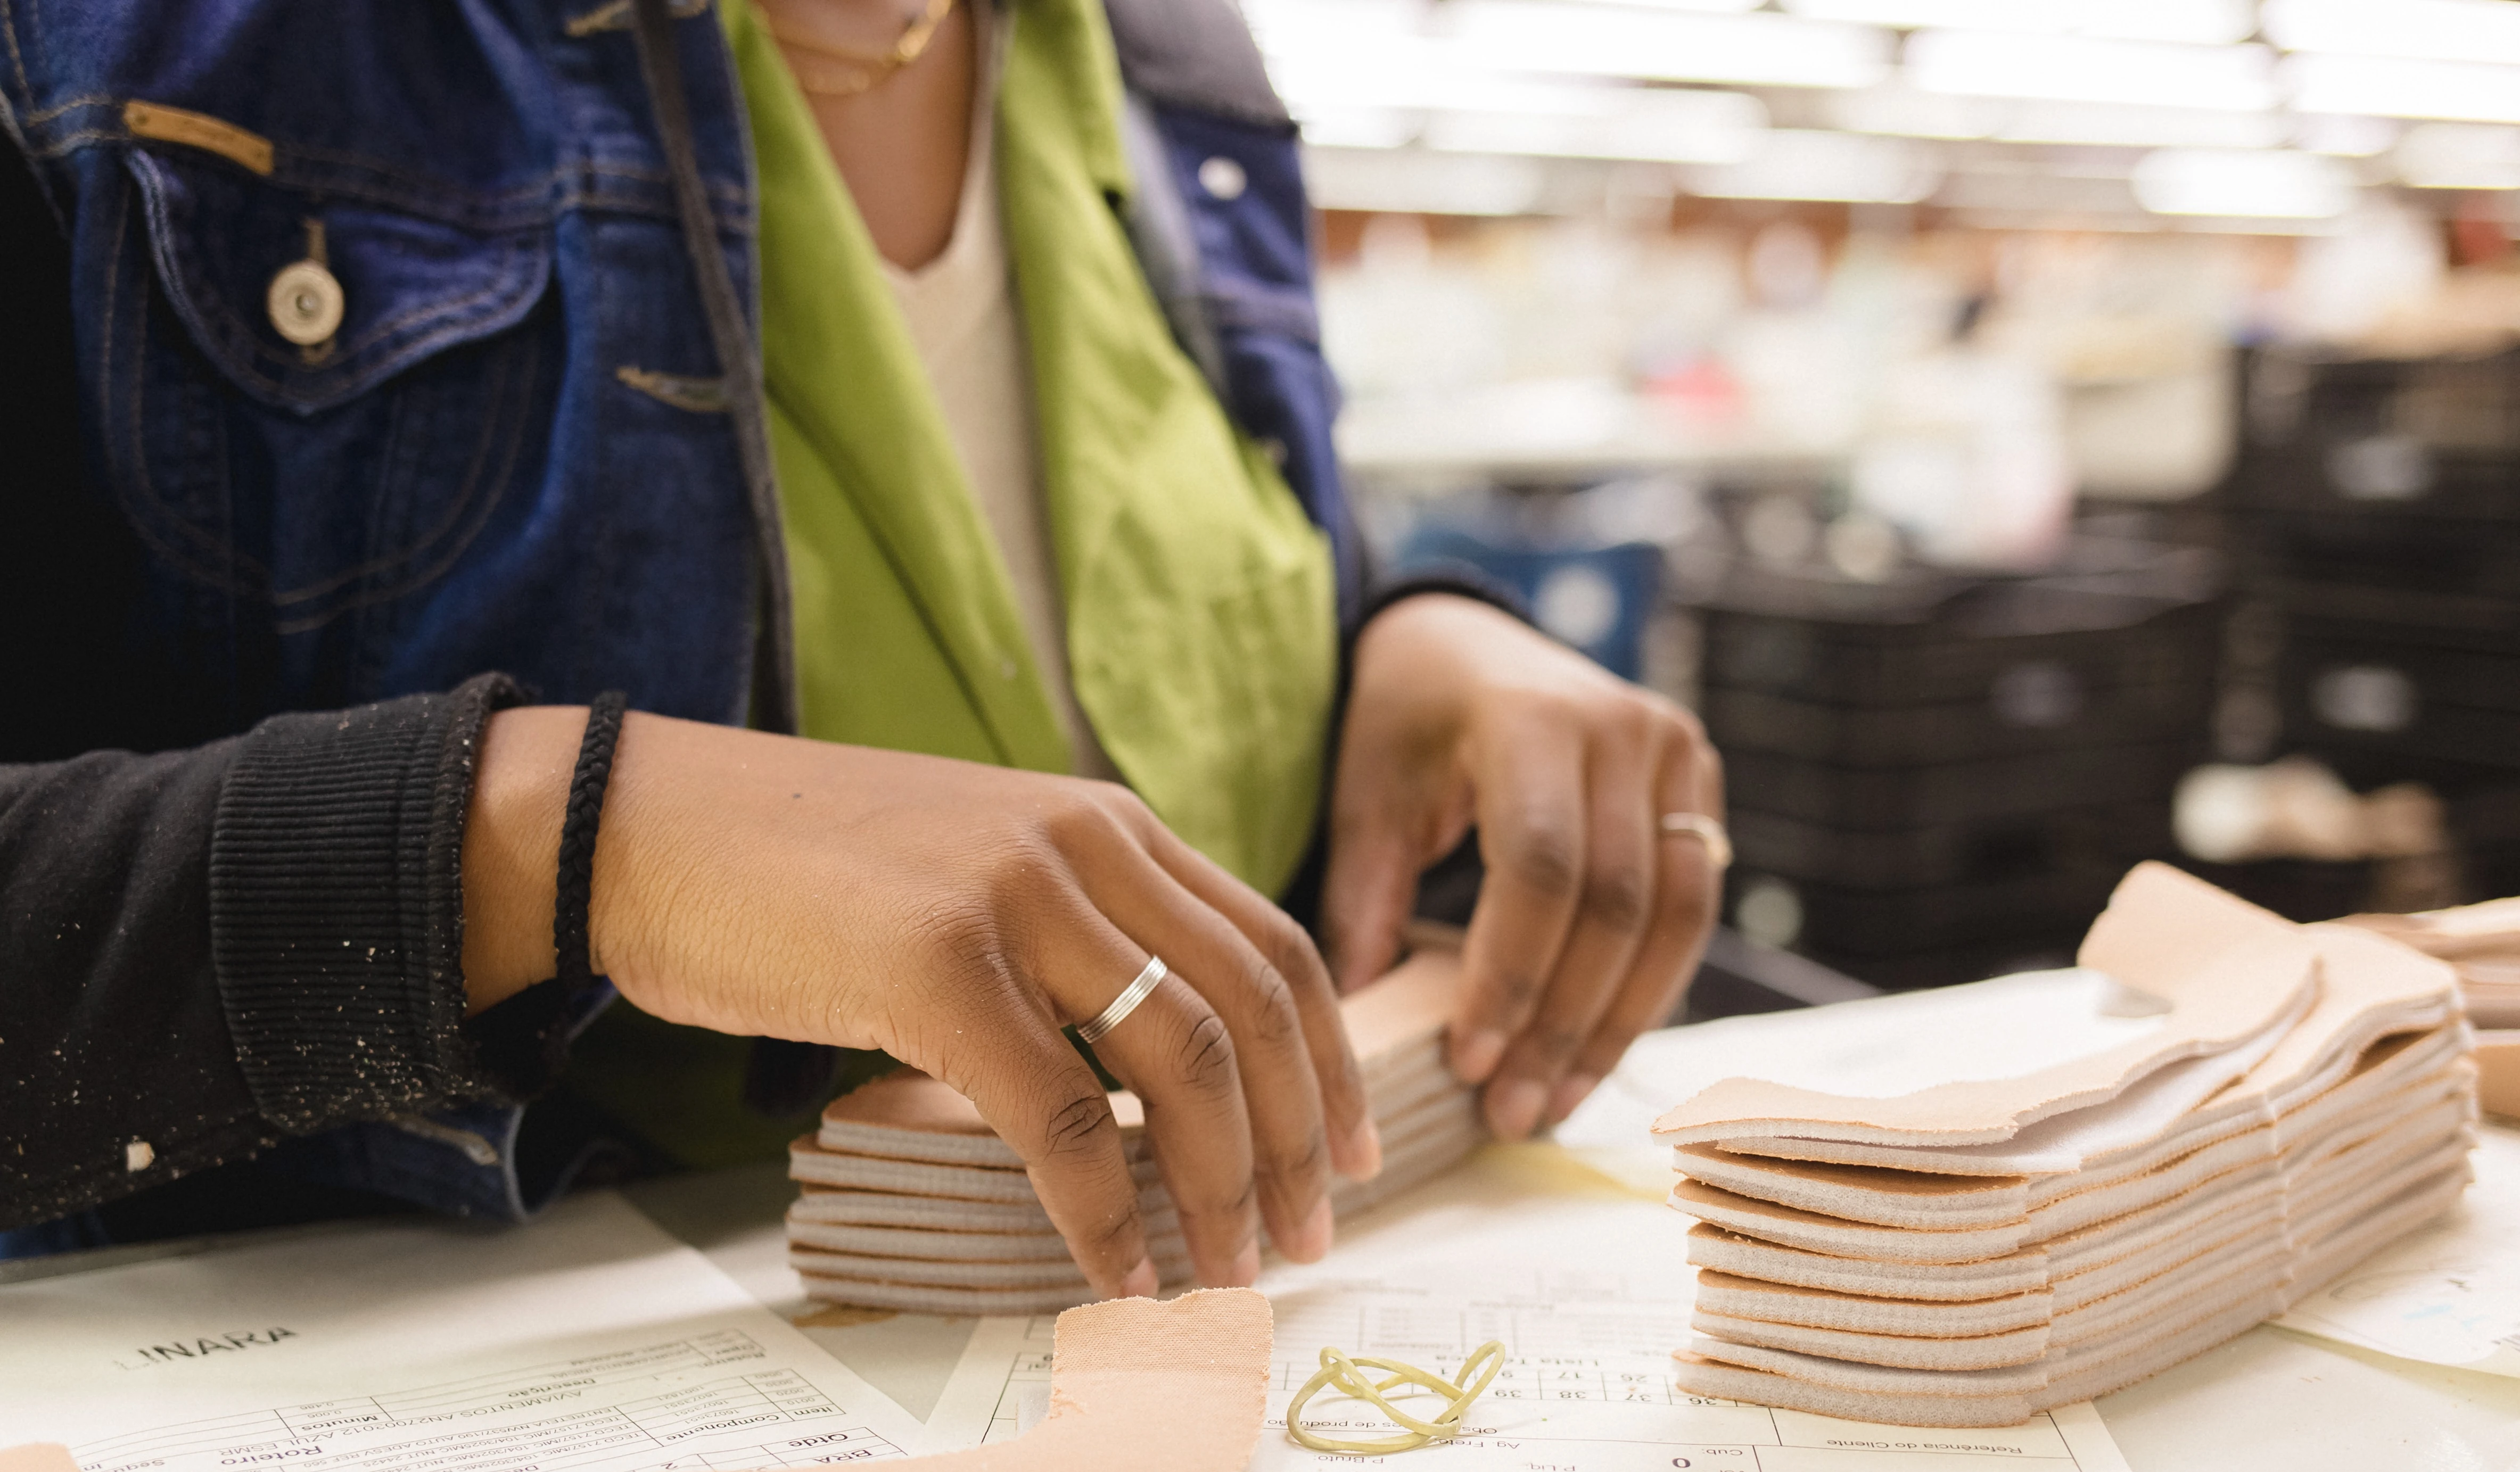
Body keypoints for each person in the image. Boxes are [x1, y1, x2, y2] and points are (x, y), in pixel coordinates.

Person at [0, 0, 1722, 1293]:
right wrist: (562, 834)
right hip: (478, 1438)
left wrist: (1408, 640)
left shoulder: (1166, 51)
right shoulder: (143, 45)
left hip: (1196, 1367)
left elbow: (1126, 617)